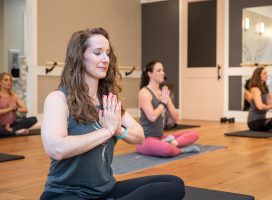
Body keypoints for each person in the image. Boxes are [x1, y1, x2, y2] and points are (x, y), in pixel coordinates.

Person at [40, 28, 185, 200]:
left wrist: (118, 131)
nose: (105, 59)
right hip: (66, 194)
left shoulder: (109, 101)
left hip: (105, 190)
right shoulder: (58, 98)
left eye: (107, 53)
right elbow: (56, 149)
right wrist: (106, 131)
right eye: (97, 52)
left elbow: (139, 136)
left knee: (173, 184)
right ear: (79, 57)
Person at [137, 60, 200, 158]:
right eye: (159, 70)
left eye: (163, 70)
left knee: (193, 134)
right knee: (166, 149)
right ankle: (181, 150)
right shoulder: (144, 93)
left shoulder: (163, 93)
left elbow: (176, 118)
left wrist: (167, 101)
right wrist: (162, 103)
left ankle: (173, 144)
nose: (163, 73)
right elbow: (152, 117)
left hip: (161, 138)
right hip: (145, 140)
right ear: (150, 74)